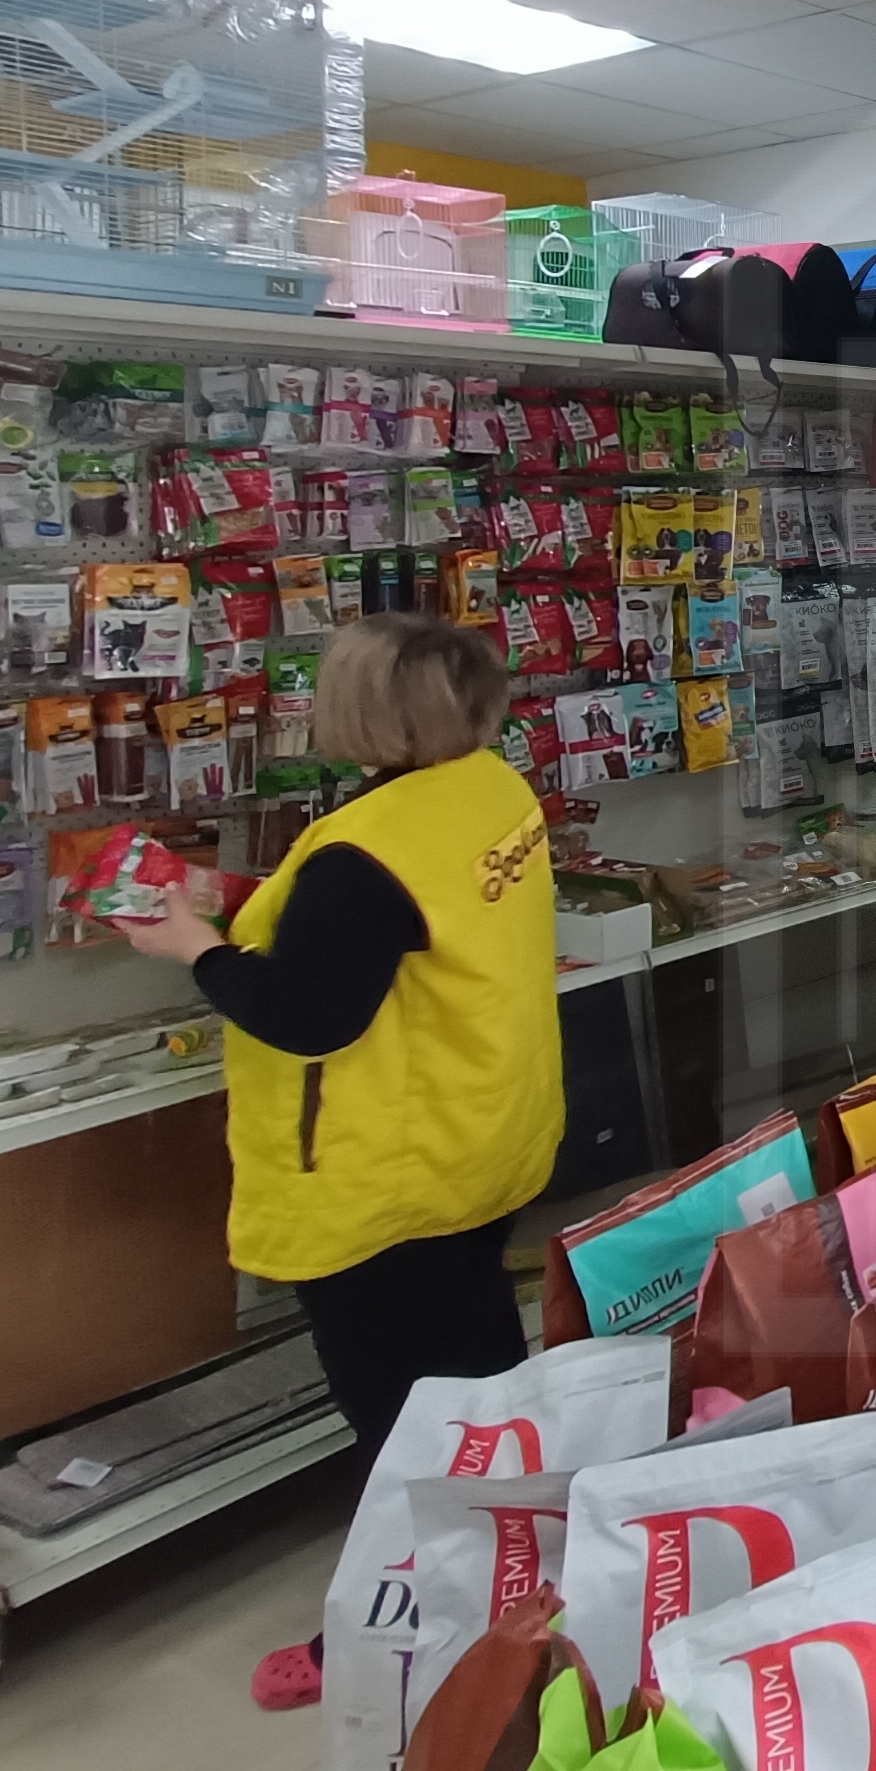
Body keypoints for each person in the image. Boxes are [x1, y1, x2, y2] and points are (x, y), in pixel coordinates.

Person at [111, 613, 563, 1712]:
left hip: (382, 1186)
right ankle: (530, 1579)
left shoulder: (361, 856)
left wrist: (196, 948)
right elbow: (394, 928)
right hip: (479, 1140)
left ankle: (386, 1632)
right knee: (481, 1388)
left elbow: (309, 1015)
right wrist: (247, 903)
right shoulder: (489, 791)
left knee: (398, 1426)